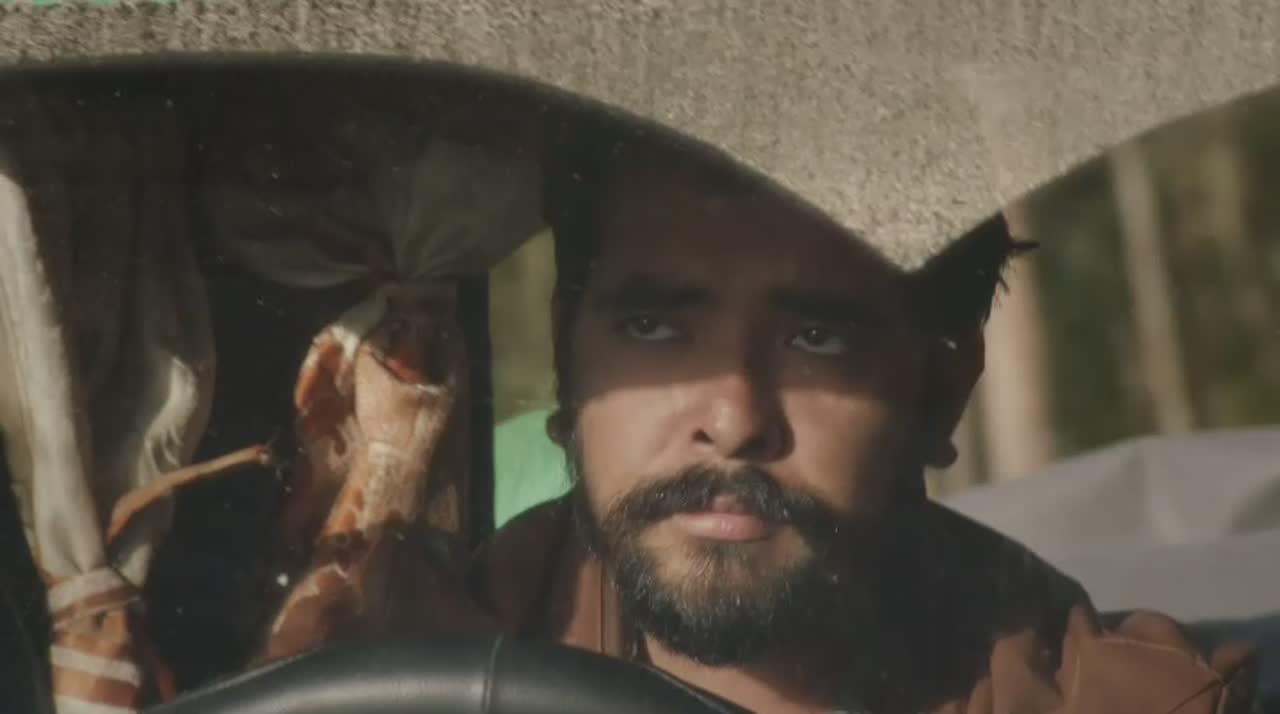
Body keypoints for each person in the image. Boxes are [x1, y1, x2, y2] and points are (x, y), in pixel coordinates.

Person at [282, 126, 1260, 714]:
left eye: (816, 339)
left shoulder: (1125, 704)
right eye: (654, 327)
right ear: (568, 355)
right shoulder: (379, 682)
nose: (734, 417)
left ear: (943, 383)